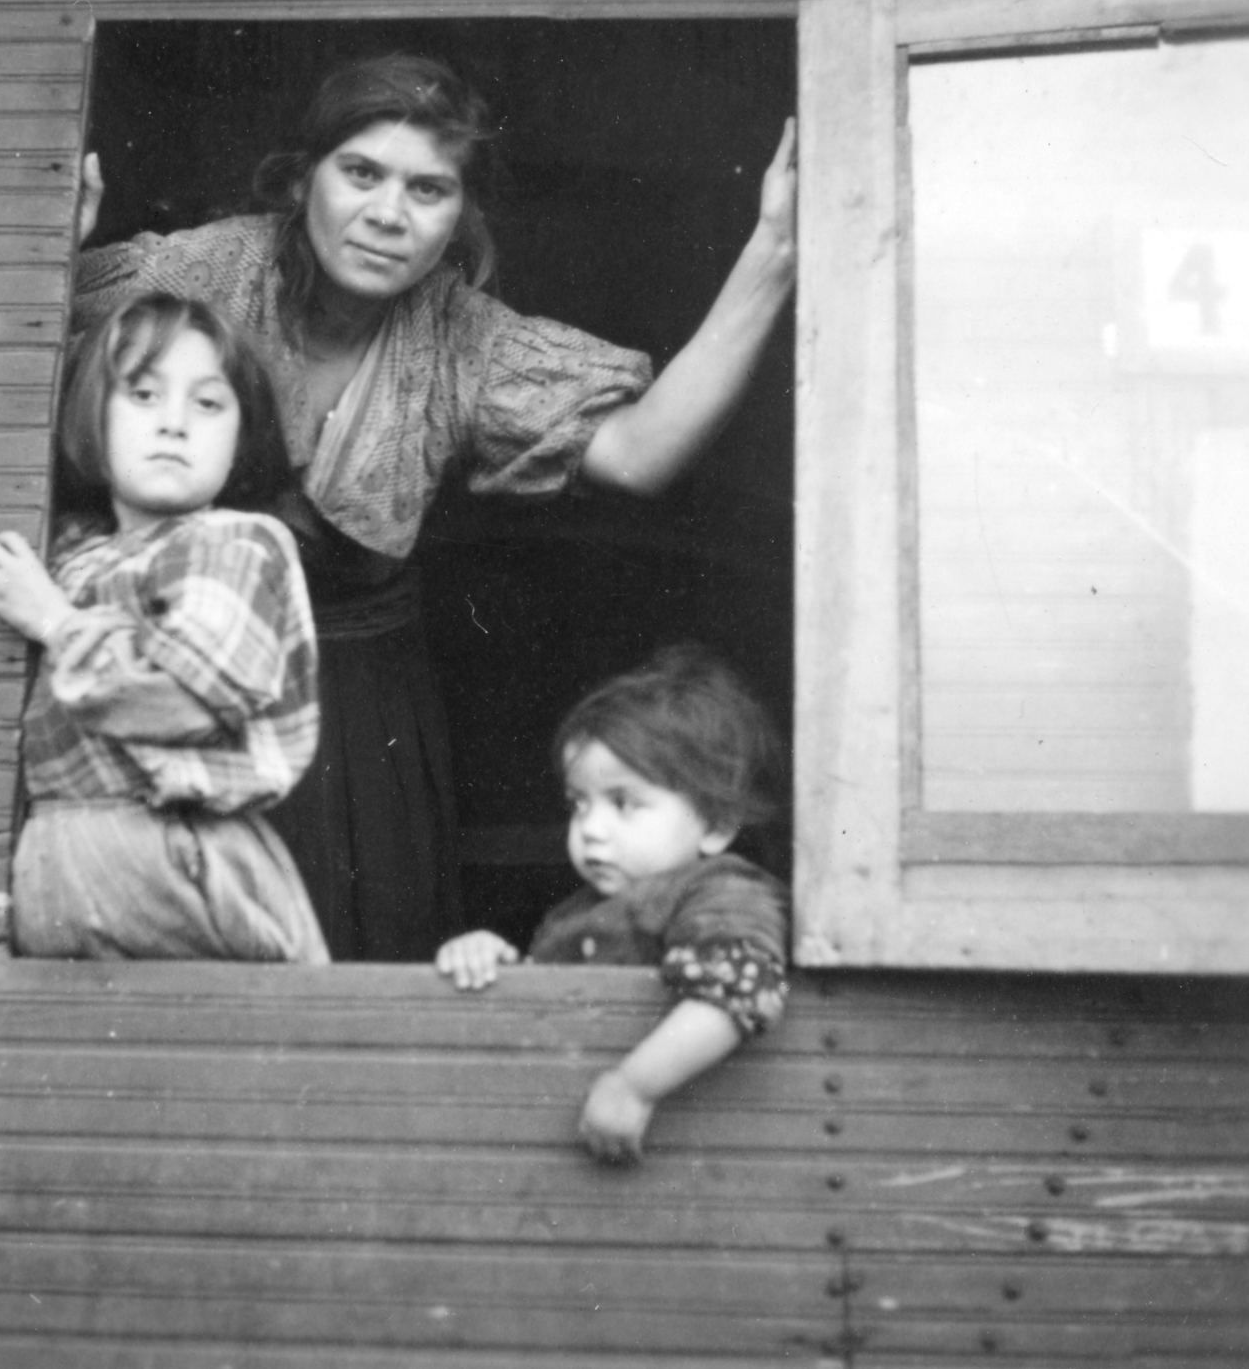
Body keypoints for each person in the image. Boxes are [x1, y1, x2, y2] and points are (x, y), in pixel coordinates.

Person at [71, 51, 798, 961]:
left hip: (354, 714)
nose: (387, 214)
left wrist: (772, 252)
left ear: (461, 217)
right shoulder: (203, 274)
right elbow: (43, 340)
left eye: (429, 189)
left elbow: (641, 452)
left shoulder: (460, 339)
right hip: (173, 672)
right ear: (304, 180)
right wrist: (45, 247)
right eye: (361, 173)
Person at [0, 291, 328, 963]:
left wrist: (53, 620)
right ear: (92, 416)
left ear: (240, 436)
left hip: (169, 850)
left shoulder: (235, 543)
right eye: (142, 394)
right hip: (62, 854)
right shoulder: (74, 557)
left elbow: (181, 700)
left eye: (208, 403)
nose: (174, 424)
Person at [435, 645, 789, 1163]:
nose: (590, 830)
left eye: (624, 803)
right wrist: (495, 964)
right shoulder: (576, 911)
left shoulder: (721, 892)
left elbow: (740, 986)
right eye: (579, 805)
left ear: (714, 824)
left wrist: (634, 1086)